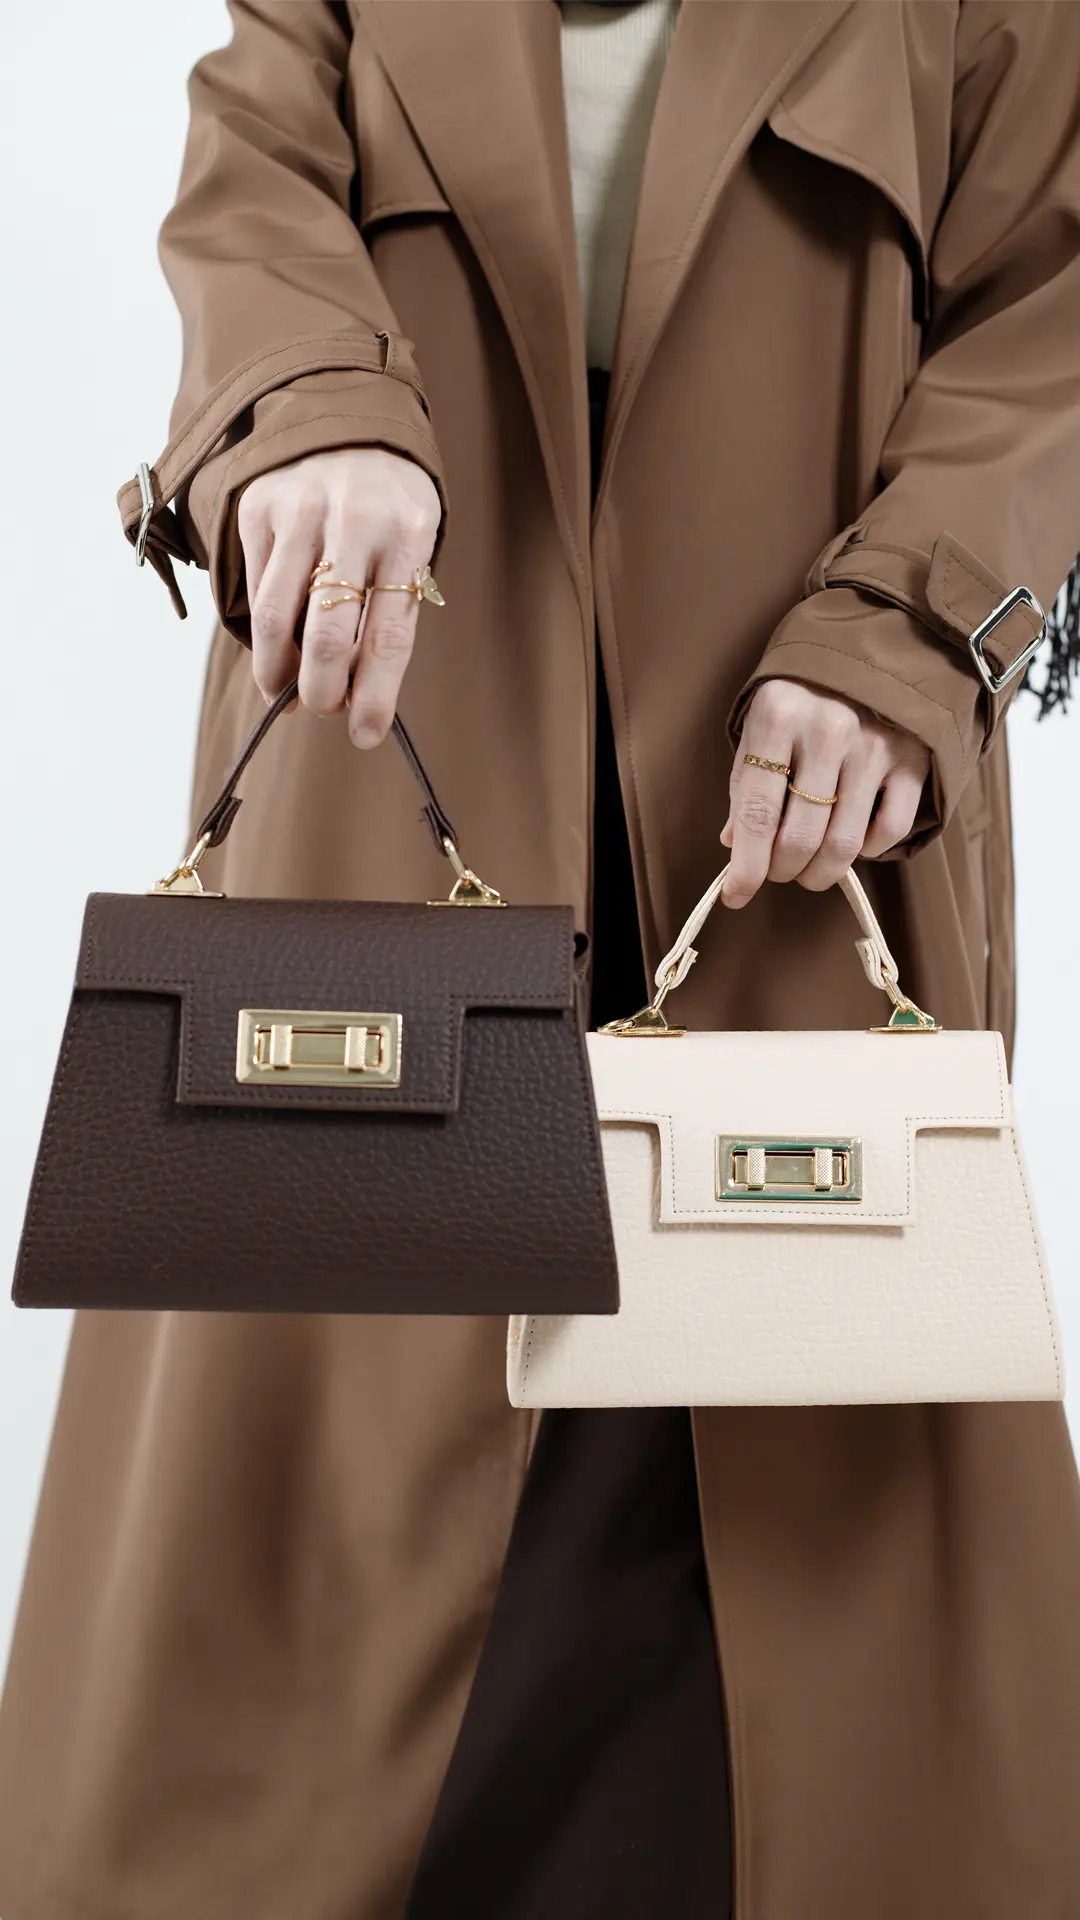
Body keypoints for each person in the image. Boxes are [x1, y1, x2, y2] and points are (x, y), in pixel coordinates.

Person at [2, 3, 1080, 1916]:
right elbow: (253, 174)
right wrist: (311, 412)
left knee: (798, 1634)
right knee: (302, 1614)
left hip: (791, 818)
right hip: (387, 780)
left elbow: (1051, 298)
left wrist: (909, 633)